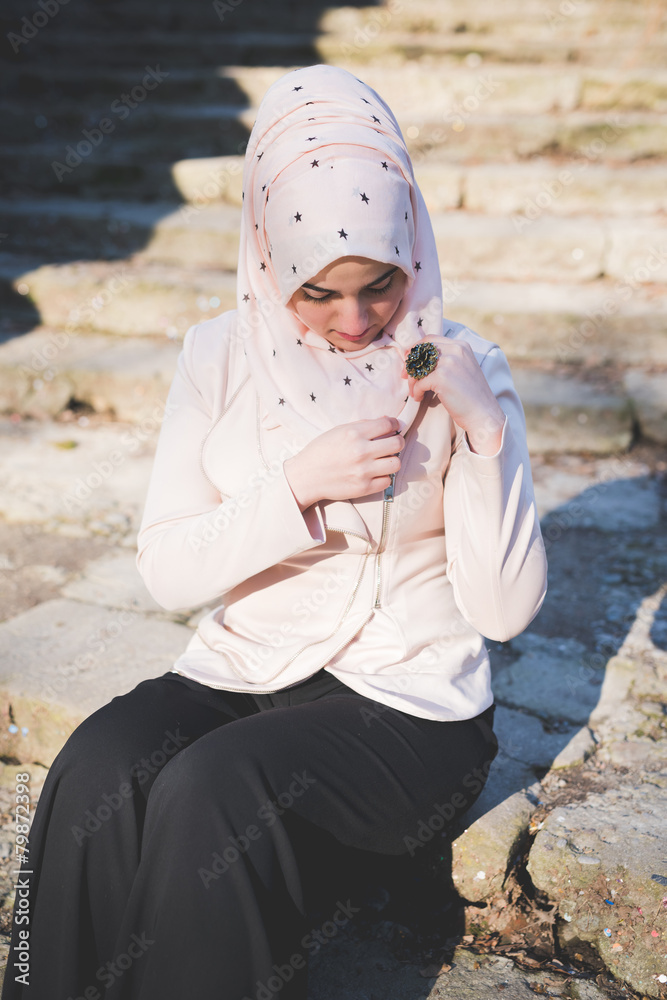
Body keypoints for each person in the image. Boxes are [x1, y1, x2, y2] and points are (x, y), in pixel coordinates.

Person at [1, 64, 547, 1000]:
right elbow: (167, 566)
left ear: (410, 241)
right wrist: (295, 488)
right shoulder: (218, 354)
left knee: (213, 788)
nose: (353, 322)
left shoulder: (466, 366)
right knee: (99, 764)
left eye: (378, 285)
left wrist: (484, 434)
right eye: (316, 294)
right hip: (247, 668)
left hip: (406, 708)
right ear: (264, 256)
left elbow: (501, 613)